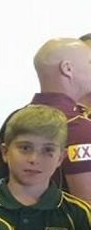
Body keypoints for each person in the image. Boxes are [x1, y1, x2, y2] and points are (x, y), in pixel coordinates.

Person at [26, 39, 91, 201]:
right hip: (69, 224)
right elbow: (87, 202)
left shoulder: (15, 118)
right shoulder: (78, 128)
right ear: (67, 69)